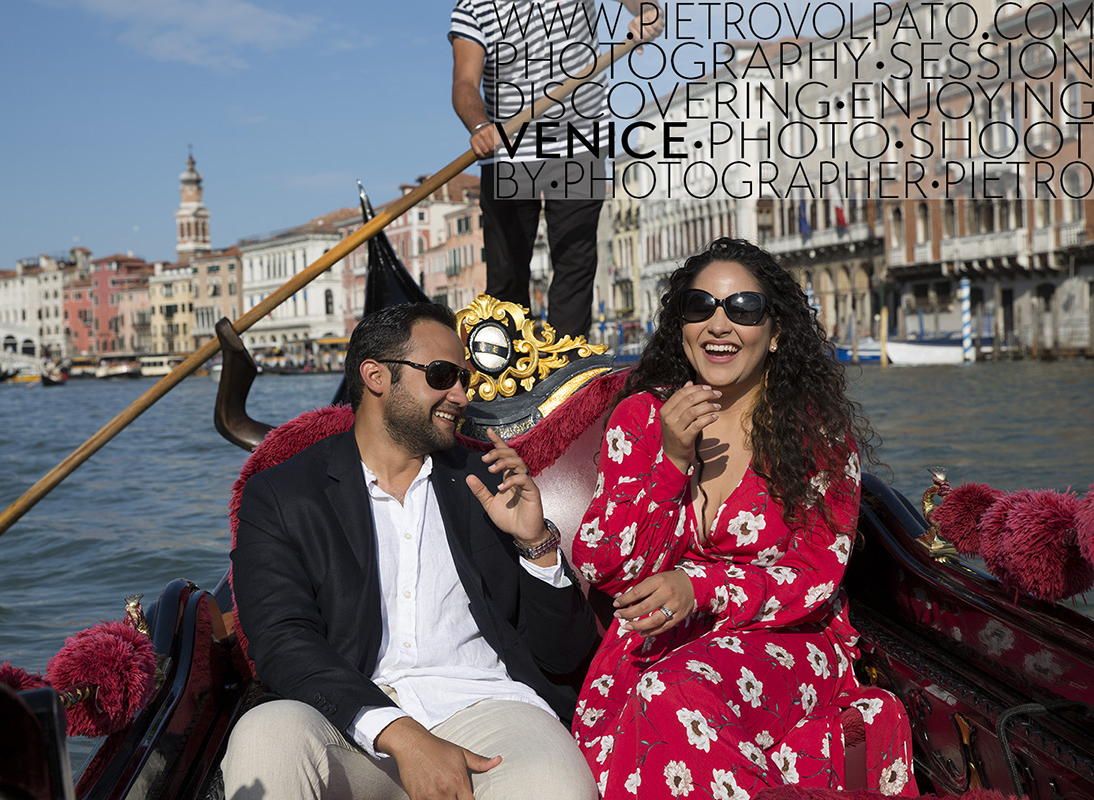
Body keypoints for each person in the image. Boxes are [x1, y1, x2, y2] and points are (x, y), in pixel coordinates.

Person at [570, 239, 916, 798]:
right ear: (681, 325)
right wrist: (672, 462)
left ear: (775, 332)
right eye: (699, 306)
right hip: (657, 641)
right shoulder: (640, 419)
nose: (718, 324)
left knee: (670, 695)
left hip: (784, 640)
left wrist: (700, 585)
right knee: (653, 696)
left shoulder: (816, 438)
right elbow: (606, 565)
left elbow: (814, 575)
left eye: (743, 309)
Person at [223, 302, 600, 800]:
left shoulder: (489, 480)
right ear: (376, 376)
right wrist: (400, 734)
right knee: (266, 734)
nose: (461, 396)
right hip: (349, 718)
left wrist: (536, 545)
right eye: (443, 376)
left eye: (464, 378)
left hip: (489, 713)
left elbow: (563, 655)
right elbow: (281, 641)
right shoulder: (283, 494)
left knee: (556, 787)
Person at [449, 0, 663, 339]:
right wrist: (479, 127)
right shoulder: (474, 5)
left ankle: (568, 369)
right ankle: (509, 367)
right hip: (507, 148)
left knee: (575, 264)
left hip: (581, 140)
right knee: (506, 276)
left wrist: (648, 14)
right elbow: (464, 82)